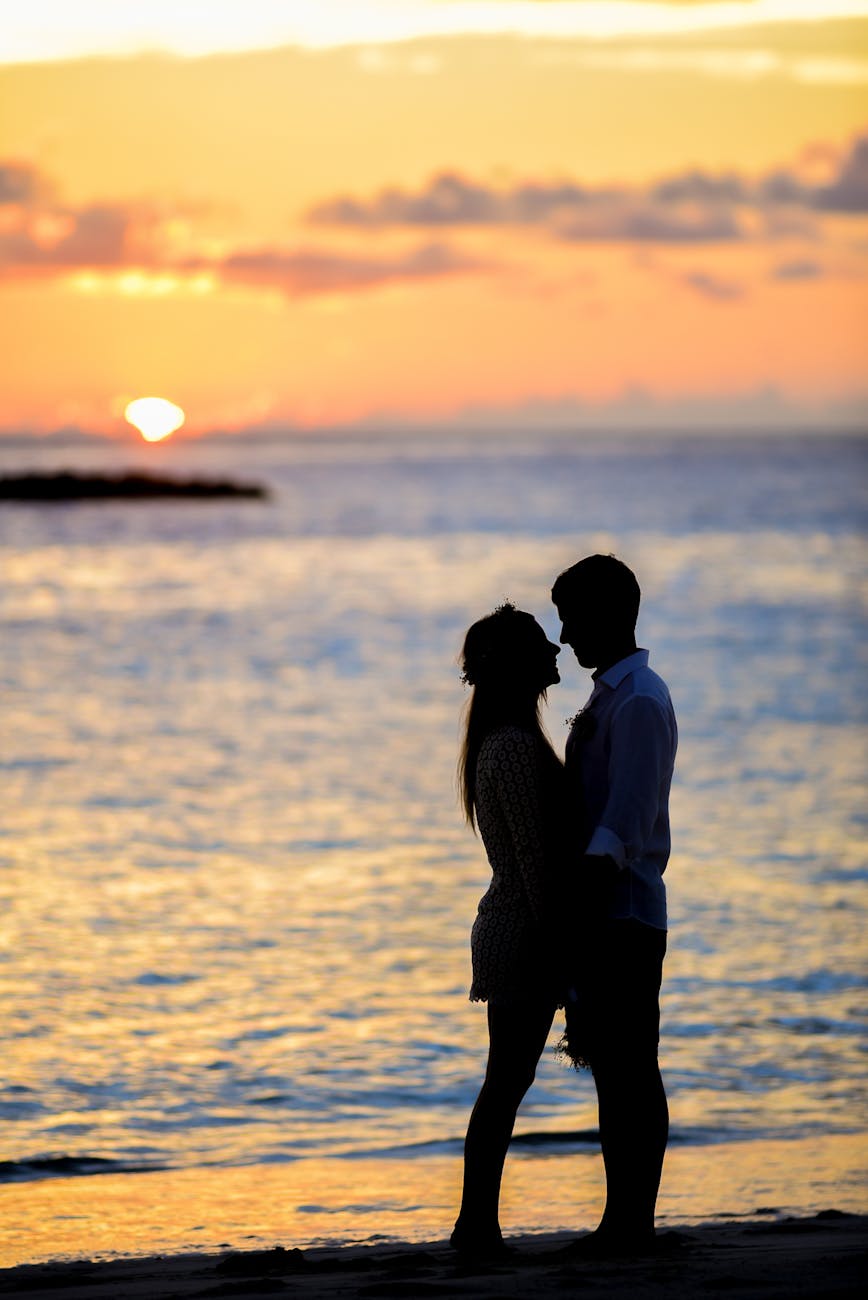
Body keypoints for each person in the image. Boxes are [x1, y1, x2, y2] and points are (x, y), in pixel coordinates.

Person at [552, 553, 677, 1257]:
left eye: (571, 617)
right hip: (610, 910)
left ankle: (634, 1220)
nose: (564, 635)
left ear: (605, 615)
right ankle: (621, 1217)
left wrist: (580, 900)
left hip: (623, 912)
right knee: (615, 1066)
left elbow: (626, 821)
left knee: (633, 1066)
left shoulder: (637, 701)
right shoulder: (615, 695)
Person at [451, 602, 568, 1259]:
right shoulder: (517, 749)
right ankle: (476, 1226)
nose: (556, 651)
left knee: (506, 1081)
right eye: (541, 645)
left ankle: (477, 1224)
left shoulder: (505, 740)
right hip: (522, 932)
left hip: (515, 927)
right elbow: (536, 867)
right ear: (521, 666)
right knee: (505, 1083)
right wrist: (567, 953)